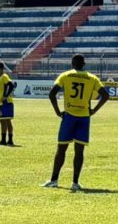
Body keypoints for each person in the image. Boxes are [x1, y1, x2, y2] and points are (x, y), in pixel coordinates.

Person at [42, 54, 109, 191]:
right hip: (84, 117)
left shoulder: (66, 75)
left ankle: (54, 180)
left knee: (61, 148)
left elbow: (52, 94)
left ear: (72, 63)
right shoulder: (92, 78)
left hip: (69, 116)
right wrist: (94, 110)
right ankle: (75, 182)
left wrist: (57, 111)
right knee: (79, 151)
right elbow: (105, 95)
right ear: (84, 64)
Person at [0, 62, 16, 146]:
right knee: (2, 121)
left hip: (7, 102)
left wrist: (5, 96)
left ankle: (10, 140)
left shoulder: (4, 76)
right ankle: (3, 140)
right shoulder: (0, 78)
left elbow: (11, 85)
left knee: (7, 120)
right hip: (2, 103)